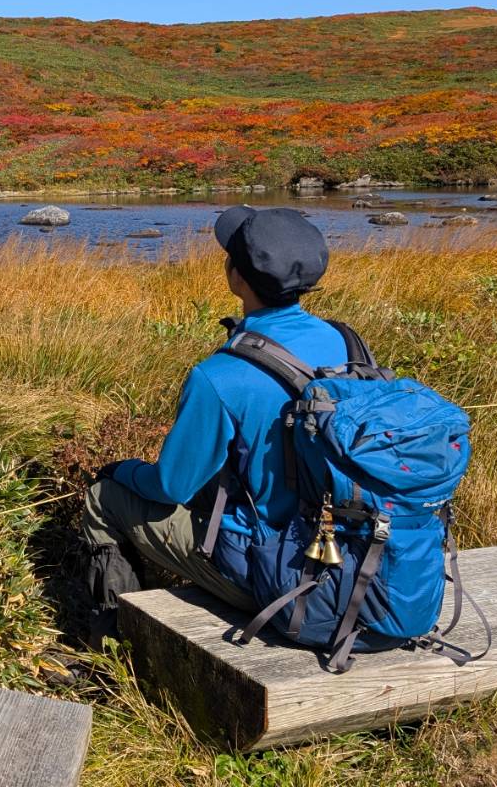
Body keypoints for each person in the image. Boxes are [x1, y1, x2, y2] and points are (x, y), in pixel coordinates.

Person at [78, 204, 348, 643]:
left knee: (104, 499)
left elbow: (171, 487)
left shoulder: (219, 375)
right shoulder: (343, 339)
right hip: (351, 549)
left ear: (236, 276)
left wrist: (121, 469)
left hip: (274, 572)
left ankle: (114, 649)